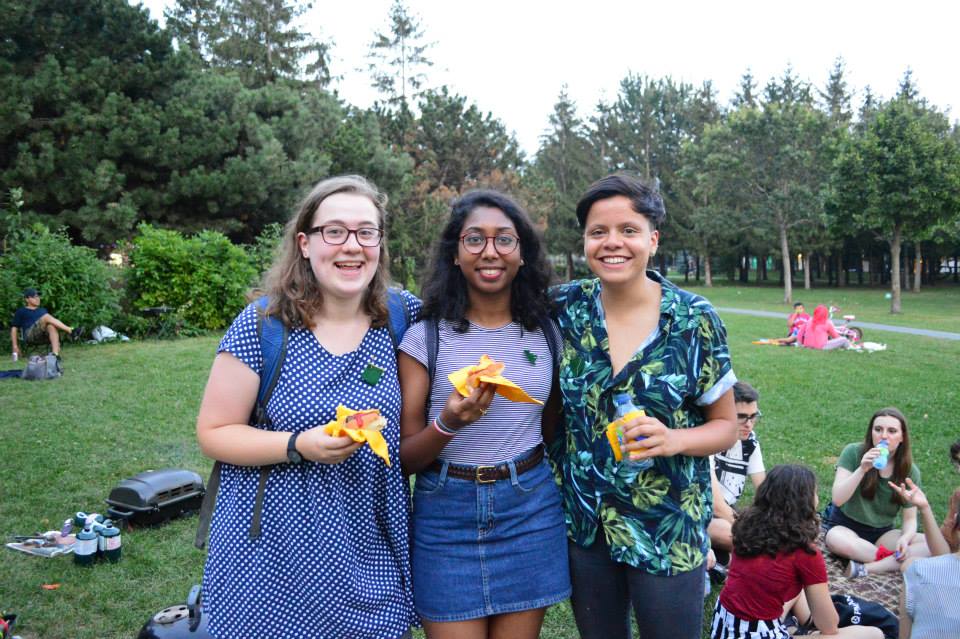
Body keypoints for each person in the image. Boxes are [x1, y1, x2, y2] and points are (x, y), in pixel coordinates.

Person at [195, 175, 420, 639]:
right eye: (334, 231)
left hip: (368, 551)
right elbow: (214, 431)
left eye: (366, 232)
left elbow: (478, 315)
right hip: (268, 560)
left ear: (380, 242)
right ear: (304, 242)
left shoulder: (402, 316)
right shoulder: (264, 325)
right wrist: (298, 444)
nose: (351, 246)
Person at [550, 173, 738, 639]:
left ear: (653, 240)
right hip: (586, 524)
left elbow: (726, 425)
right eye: (599, 232)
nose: (613, 243)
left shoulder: (693, 319)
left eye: (628, 230)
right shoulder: (562, 309)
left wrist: (674, 439)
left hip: (667, 524)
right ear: (585, 241)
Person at [397, 190, 569, 639]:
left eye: (504, 240)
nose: (489, 252)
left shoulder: (546, 333)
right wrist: (449, 423)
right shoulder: (424, 338)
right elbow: (404, 459)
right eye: (474, 239)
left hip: (529, 508)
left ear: (522, 254)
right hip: (444, 514)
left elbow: (549, 429)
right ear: (455, 254)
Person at [711, 464, 883, 639]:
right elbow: (829, 626)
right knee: (873, 634)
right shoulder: (804, 553)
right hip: (758, 633)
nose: (817, 499)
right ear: (805, 502)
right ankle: (797, 631)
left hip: (724, 626)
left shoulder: (746, 527)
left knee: (792, 587)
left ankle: (797, 626)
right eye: (814, 493)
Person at [823, 407, 928, 578]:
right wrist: (862, 469)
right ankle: (888, 562)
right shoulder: (854, 453)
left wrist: (906, 537)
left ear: (902, 437)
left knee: (930, 544)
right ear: (871, 432)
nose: (884, 436)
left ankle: (868, 567)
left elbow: (909, 518)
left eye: (892, 431)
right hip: (846, 526)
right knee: (836, 540)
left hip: (882, 534)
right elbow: (838, 499)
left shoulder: (909, 471)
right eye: (878, 429)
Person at [891, 440, 960, 638]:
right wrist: (925, 508)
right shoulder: (958, 497)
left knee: (914, 568)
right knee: (911, 564)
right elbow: (944, 555)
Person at [709, 381, 767, 558]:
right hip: (701, 512)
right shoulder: (709, 438)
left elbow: (765, 492)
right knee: (736, 537)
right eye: (742, 417)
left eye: (753, 416)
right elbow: (717, 507)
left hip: (728, 510)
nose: (749, 424)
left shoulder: (749, 441)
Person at [10, 287, 73, 359]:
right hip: (29, 335)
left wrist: (56, 340)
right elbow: (14, 329)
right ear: (27, 299)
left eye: (38, 296)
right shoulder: (21, 311)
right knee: (46, 317)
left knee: (51, 326)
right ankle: (70, 330)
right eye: (34, 297)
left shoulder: (42, 310)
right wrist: (15, 346)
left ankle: (55, 355)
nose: (38, 299)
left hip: (43, 335)